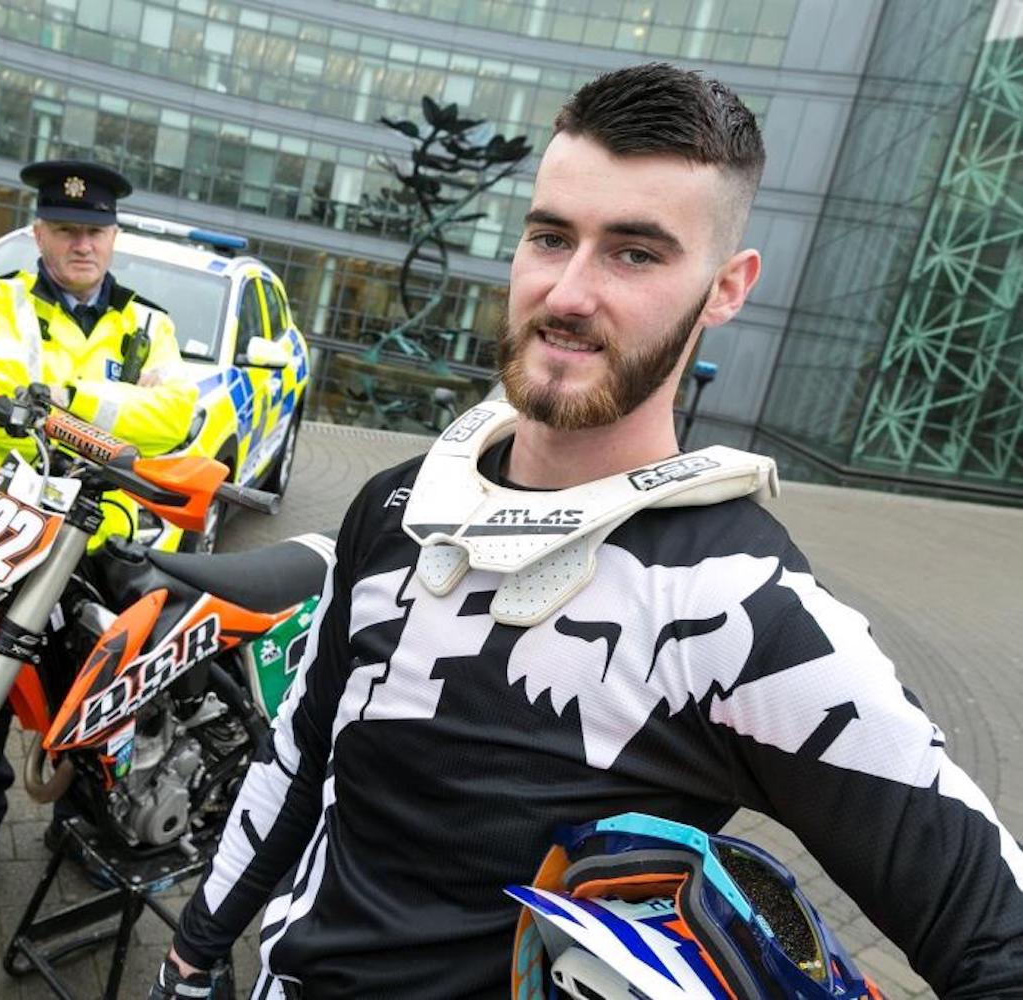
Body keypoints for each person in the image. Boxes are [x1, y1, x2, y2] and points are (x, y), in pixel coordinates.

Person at [151, 63, 1023, 998]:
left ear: (726, 288)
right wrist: (200, 946)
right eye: (550, 237)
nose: (568, 292)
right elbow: (303, 751)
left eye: (635, 253)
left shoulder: (742, 608)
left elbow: (995, 943)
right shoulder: (398, 505)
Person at [0, 159, 197, 905]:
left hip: (104, 545)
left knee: (95, 706)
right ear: (39, 233)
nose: (80, 244)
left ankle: (77, 830)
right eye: (65, 230)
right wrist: (117, 408)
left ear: (114, 238)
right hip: (14, 533)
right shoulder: (0, 302)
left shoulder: (151, 323)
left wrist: (58, 397)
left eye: (94, 231)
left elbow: (176, 417)